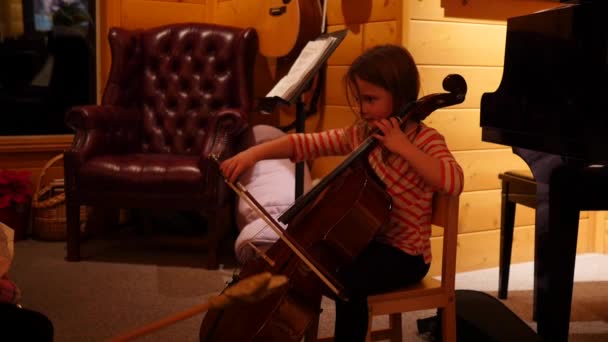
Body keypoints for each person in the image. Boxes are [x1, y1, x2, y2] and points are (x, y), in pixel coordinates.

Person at [220, 44, 464, 341]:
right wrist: (254, 154)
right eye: (360, 99)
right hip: (366, 243)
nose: (362, 109)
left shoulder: (426, 140)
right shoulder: (362, 133)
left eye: (371, 99)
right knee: (318, 268)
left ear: (399, 96)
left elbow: (453, 181)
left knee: (347, 284)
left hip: (405, 255)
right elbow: (306, 144)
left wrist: (404, 147)